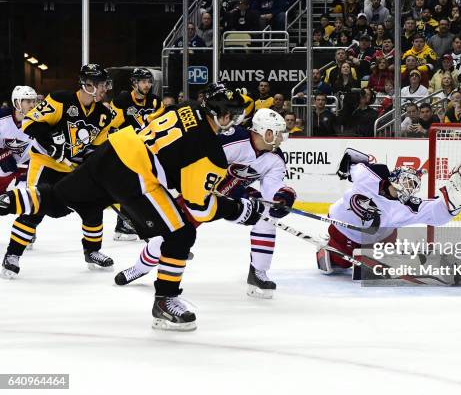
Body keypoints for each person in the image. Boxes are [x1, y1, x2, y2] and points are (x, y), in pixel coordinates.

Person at [0, 83, 271, 331]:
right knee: (181, 233)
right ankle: (165, 301)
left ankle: (7, 200)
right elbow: (199, 207)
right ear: (224, 117)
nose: (235, 122)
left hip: (113, 150)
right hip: (135, 176)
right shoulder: (210, 150)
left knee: (59, 200)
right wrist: (238, 211)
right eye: (234, 116)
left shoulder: (186, 106)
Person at [115, 107, 294, 300]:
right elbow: (202, 168)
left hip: (233, 203)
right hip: (200, 195)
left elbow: (272, 188)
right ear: (267, 133)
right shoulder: (232, 140)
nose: (281, 139)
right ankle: (139, 268)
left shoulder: (275, 158)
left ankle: (258, 272)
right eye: (278, 134)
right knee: (173, 233)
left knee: (266, 216)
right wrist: (241, 191)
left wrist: (281, 197)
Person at [0, 64, 115, 279]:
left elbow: (95, 147)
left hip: (71, 169)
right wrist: (52, 144)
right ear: (87, 84)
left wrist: (91, 165)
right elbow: (30, 122)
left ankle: (92, 251)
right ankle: (12, 254)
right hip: (46, 163)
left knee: (92, 206)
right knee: (35, 207)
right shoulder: (61, 100)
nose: (104, 89)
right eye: (101, 85)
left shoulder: (103, 115)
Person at [315, 149, 461, 275]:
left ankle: (376, 256)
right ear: (396, 176)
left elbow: (434, 212)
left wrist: (454, 204)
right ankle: (328, 247)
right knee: (334, 266)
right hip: (341, 229)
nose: (408, 188)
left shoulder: (406, 207)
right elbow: (351, 157)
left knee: (380, 260)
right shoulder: (369, 176)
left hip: (375, 238)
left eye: (413, 186)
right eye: (407, 181)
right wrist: (344, 169)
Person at [109, 68, 166, 241]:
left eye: (149, 81)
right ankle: (124, 225)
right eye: (143, 81)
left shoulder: (155, 102)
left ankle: (133, 222)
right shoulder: (122, 100)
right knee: (131, 186)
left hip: (147, 151)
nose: (147, 85)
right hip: (125, 150)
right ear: (134, 83)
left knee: (147, 186)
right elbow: (111, 127)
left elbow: (160, 126)